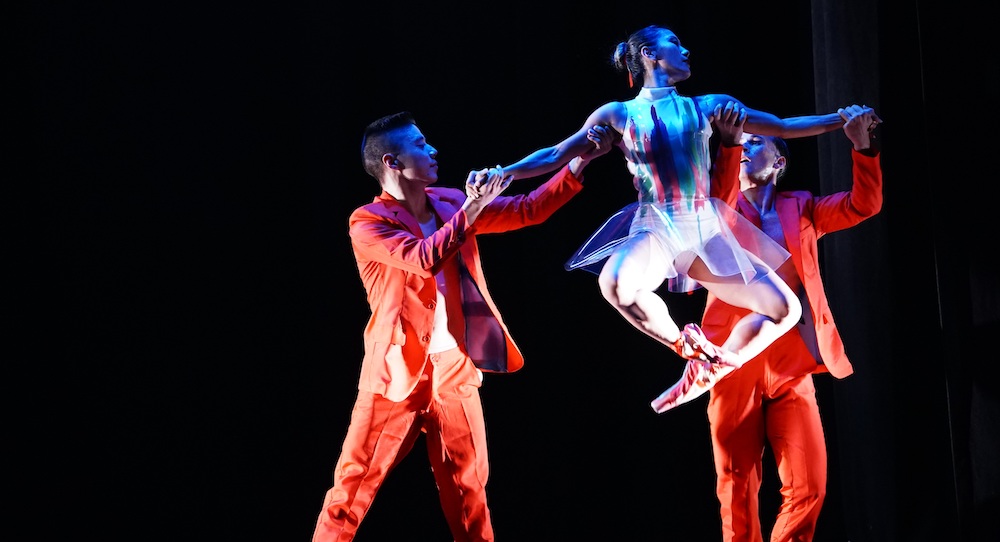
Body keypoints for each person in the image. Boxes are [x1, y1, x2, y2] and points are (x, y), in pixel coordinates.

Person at [479, 24, 879, 398]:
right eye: (675, 43)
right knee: (615, 284)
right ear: (650, 54)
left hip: (704, 227)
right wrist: (504, 172)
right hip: (657, 225)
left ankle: (720, 364)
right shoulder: (618, 114)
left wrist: (843, 120)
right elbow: (555, 153)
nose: (686, 49)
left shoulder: (708, 106)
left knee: (786, 310)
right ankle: (683, 345)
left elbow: (783, 126)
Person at [311, 111, 615, 542]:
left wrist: (580, 163)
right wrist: (473, 207)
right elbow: (421, 257)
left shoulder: (450, 202)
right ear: (392, 163)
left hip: (454, 366)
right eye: (419, 144)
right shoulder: (367, 221)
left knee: (469, 489)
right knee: (351, 489)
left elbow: (528, 209)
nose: (433, 149)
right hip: (395, 373)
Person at [656, 104, 883, 540]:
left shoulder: (803, 207)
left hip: (791, 363)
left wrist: (863, 148)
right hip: (731, 359)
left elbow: (863, 205)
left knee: (809, 485)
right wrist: (727, 144)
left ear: (779, 162)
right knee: (736, 485)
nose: (746, 147)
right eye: (744, 143)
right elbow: (715, 209)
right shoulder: (718, 208)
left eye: (755, 141)